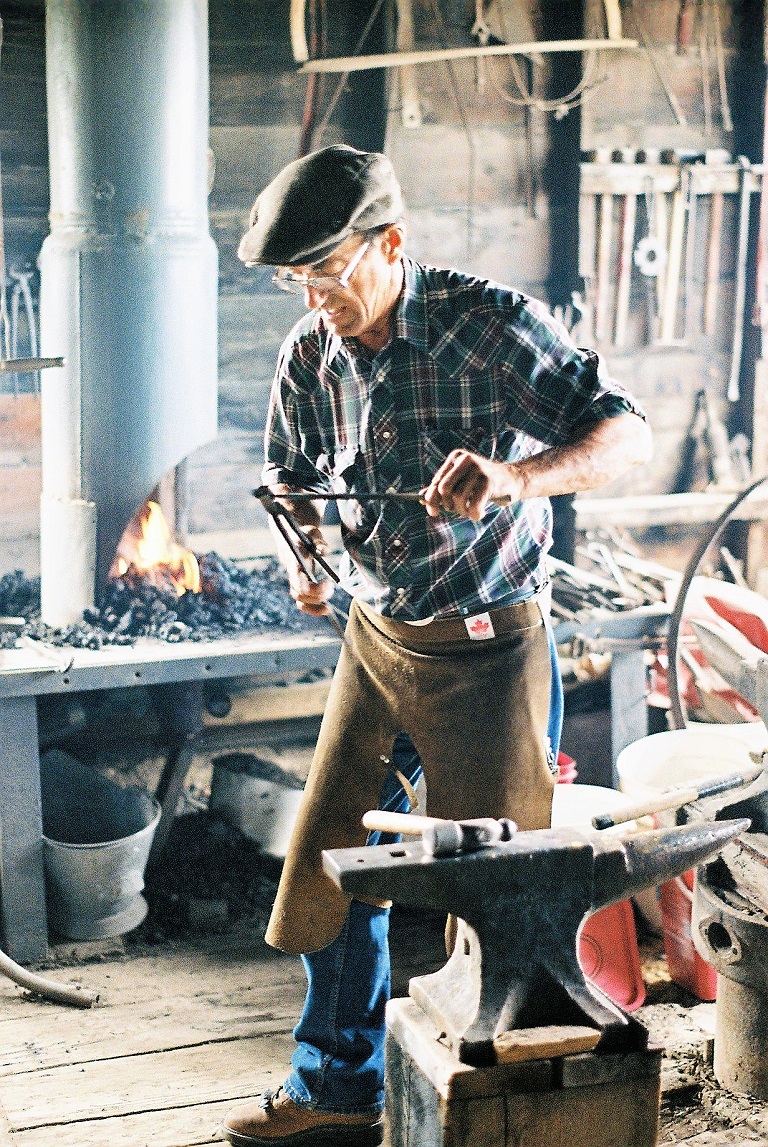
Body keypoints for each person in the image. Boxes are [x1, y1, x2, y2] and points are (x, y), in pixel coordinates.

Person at [221, 144, 653, 1147]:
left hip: (492, 647)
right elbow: (290, 475)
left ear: (392, 244)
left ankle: (498, 1089)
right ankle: (336, 1084)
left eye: (328, 270)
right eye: (298, 277)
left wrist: (519, 479)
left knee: (505, 889)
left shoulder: (486, 325)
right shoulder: (309, 352)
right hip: (379, 643)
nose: (313, 294)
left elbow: (623, 429)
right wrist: (306, 550)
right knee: (333, 864)